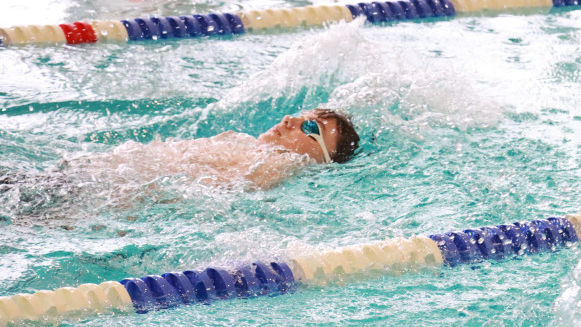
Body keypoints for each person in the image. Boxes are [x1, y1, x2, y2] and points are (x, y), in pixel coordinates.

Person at [0, 108, 360, 216]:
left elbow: (213, 193)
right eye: (300, 115)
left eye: (310, 127)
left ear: (318, 157)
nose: (290, 120)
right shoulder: (245, 143)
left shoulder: (282, 164)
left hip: (90, 194)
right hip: (80, 181)